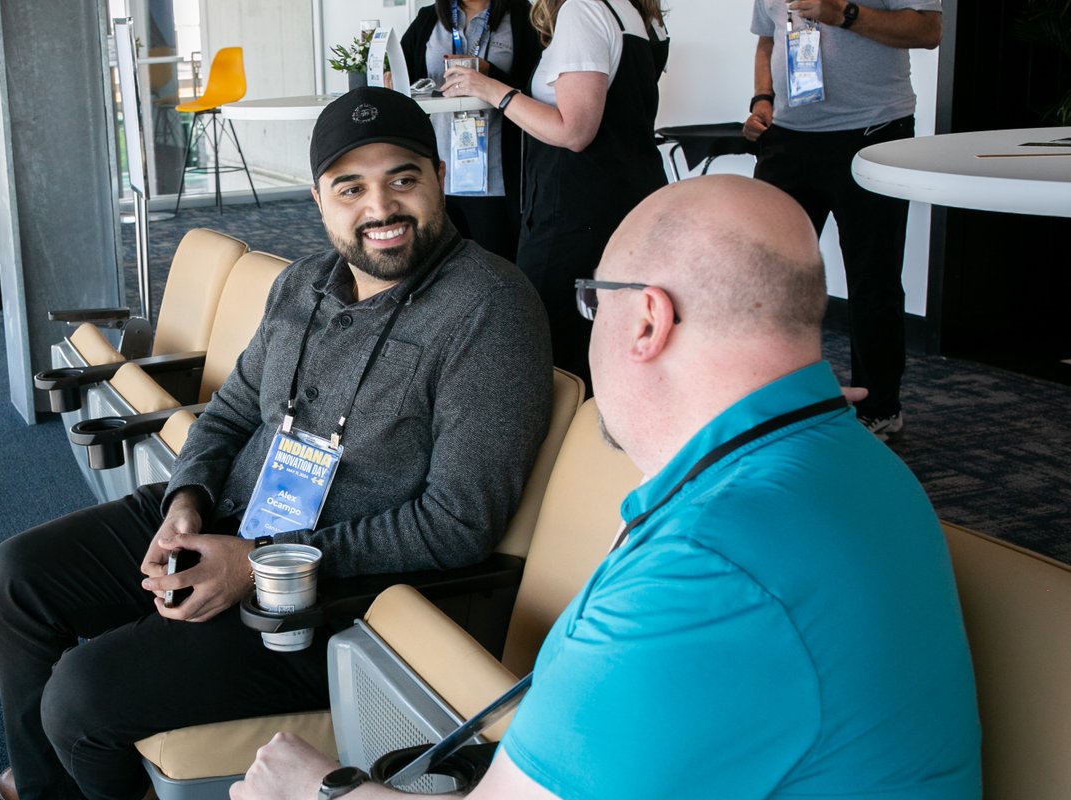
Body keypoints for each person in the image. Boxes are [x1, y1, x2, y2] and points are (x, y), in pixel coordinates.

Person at [228, 175, 981, 800]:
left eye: (594, 301)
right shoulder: (848, 464)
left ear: (648, 319)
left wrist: (315, 788)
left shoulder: (713, 564)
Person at [0, 86, 553, 800]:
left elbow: (459, 523)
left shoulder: (490, 308)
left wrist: (259, 566)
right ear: (318, 199)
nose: (381, 208)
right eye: (352, 187)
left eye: (403, 178)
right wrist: (185, 500)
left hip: (336, 591)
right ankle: (44, 790)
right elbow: (231, 411)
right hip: (232, 518)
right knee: (14, 581)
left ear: (439, 177)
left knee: (81, 699)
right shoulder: (304, 282)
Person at [440, 0, 668, 388]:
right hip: (628, 203)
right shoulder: (637, 14)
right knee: (607, 344)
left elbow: (574, 132)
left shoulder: (583, 10)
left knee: (552, 350)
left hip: (577, 214)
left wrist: (492, 90)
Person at [742, 0, 943, 440]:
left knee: (873, 278)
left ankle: (879, 408)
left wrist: (846, 15)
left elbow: (929, 31)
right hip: (788, 141)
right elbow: (767, 40)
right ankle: (767, 402)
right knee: (764, 277)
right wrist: (763, 98)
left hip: (872, 134)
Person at [400, 0, 541, 261]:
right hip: (441, 173)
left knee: (498, 266)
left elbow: (536, 87)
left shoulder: (523, 16)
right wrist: (390, 76)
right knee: (443, 269)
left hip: (497, 177)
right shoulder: (429, 18)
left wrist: (488, 72)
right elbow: (404, 72)